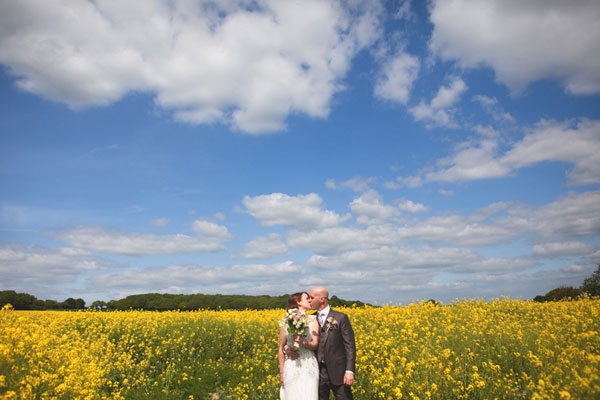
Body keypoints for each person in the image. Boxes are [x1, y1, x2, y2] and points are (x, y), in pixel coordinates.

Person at [309, 286, 356, 400]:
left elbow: (349, 346)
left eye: (312, 297)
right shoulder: (309, 319)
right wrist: (287, 348)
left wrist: (349, 371)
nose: (309, 300)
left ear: (322, 299)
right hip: (318, 372)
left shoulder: (340, 318)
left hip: (339, 372)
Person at [278, 292, 320, 400]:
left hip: (308, 364)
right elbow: (281, 347)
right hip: (292, 366)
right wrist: (282, 373)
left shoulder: (313, 319)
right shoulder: (286, 321)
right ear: (298, 302)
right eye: (307, 298)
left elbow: (315, 344)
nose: (311, 300)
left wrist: (302, 341)